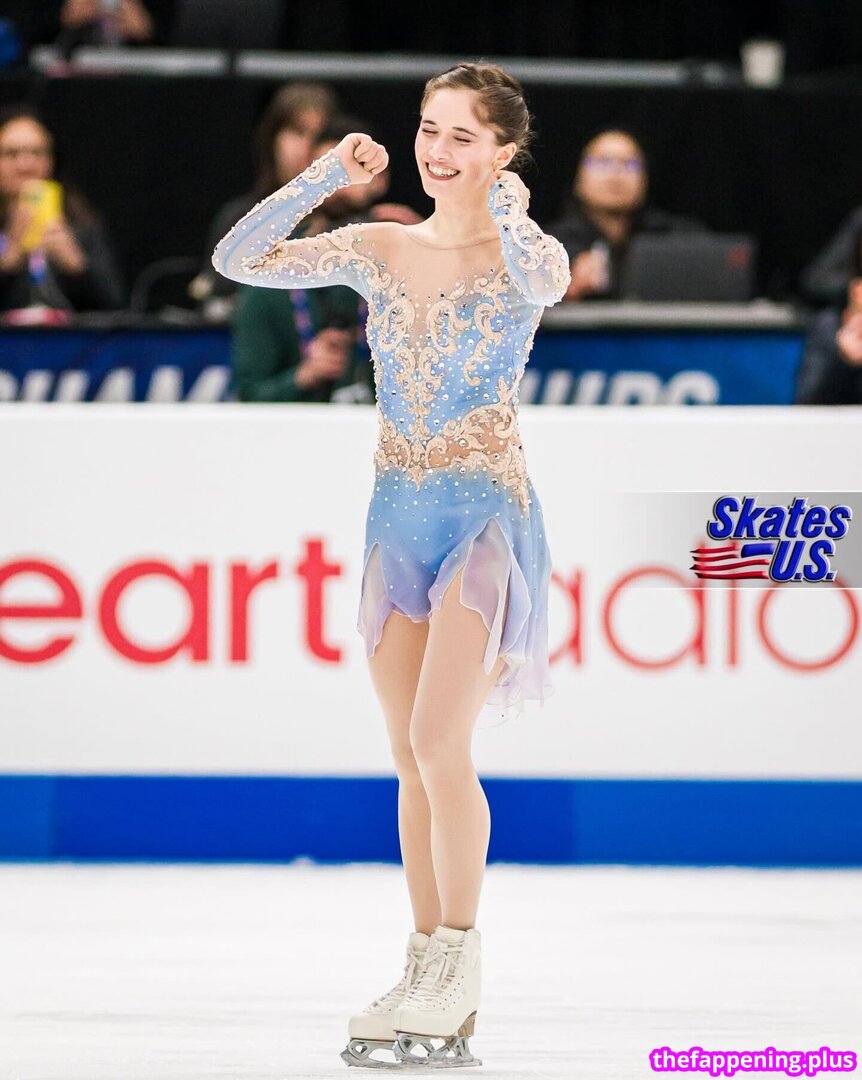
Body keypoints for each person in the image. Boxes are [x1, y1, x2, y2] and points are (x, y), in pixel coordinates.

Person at [212, 61, 570, 1069]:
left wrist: (509, 208)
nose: (437, 150)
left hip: (483, 519)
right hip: (396, 520)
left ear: (502, 150)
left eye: (463, 135)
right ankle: (424, 969)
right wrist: (326, 175)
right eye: (428, 128)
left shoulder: (521, 255)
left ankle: (460, 959)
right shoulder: (379, 247)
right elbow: (239, 259)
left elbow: (551, 280)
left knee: (438, 738)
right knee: (409, 755)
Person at [190, 81, 339, 310]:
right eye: (298, 132)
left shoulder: (352, 222)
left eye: (318, 136)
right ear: (272, 138)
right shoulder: (240, 217)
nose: (307, 146)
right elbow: (216, 302)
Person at [545, 127, 707, 301]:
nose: (615, 174)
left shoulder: (677, 237)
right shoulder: (548, 246)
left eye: (630, 164)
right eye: (602, 163)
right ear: (578, 177)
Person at [0, 104, 125, 314]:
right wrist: (9, 261)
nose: (26, 165)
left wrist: (75, 265)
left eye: (37, 153)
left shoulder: (81, 223)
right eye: (12, 154)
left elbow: (116, 308)